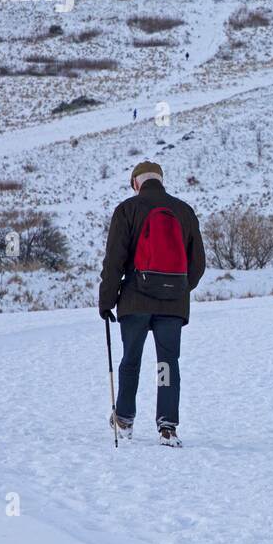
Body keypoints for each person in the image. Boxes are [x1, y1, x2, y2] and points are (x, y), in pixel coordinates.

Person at [99, 160, 205, 447]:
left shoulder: (127, 210)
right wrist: (179, 288)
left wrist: (107, 300)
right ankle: (167, 427)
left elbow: (114, 262)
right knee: (167, 363)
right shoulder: (183, 211)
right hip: (173, 305)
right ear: (161, 180)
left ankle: (124, 419)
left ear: (136, 183)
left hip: (135, 300)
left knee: (131, 360)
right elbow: (198, 264)